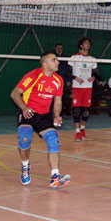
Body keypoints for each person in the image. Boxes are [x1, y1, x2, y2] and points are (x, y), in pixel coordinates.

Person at [10, 52, 70, 188]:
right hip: (28, 112)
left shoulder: (58, 80)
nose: (58, 62)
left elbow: (58, 100)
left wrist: (57, 115)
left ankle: (55, 176)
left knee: (53, 140)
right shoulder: (33, 75)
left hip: (44, 115)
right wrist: (24, 108)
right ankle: (25, 166)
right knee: (24, 138)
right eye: (54, 60)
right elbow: (14, 93)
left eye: (57, 60)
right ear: (45, 64)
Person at [68, 37, 98, 142]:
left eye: (89, 43)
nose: (88, 45)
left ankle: (83, 129)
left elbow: (95, 72)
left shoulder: (93, 59)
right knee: (77, 111)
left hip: (88, 88)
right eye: (85, 43)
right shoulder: (74, 58)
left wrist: (93, 77)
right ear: (81, 45)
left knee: (86, 111)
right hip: (77, 87)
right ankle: (77, 132)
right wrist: (75, 78)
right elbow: (67, 72)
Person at [53, 43, 71, 116]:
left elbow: (68, 70)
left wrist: (68, 80)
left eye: (61, 48)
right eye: (58, 48)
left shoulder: (65, 57)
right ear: (55, 48)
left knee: (61, 97)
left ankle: (60, 113)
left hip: (62, 80)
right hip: (53, 80)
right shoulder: (52, 56)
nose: (59, 49)